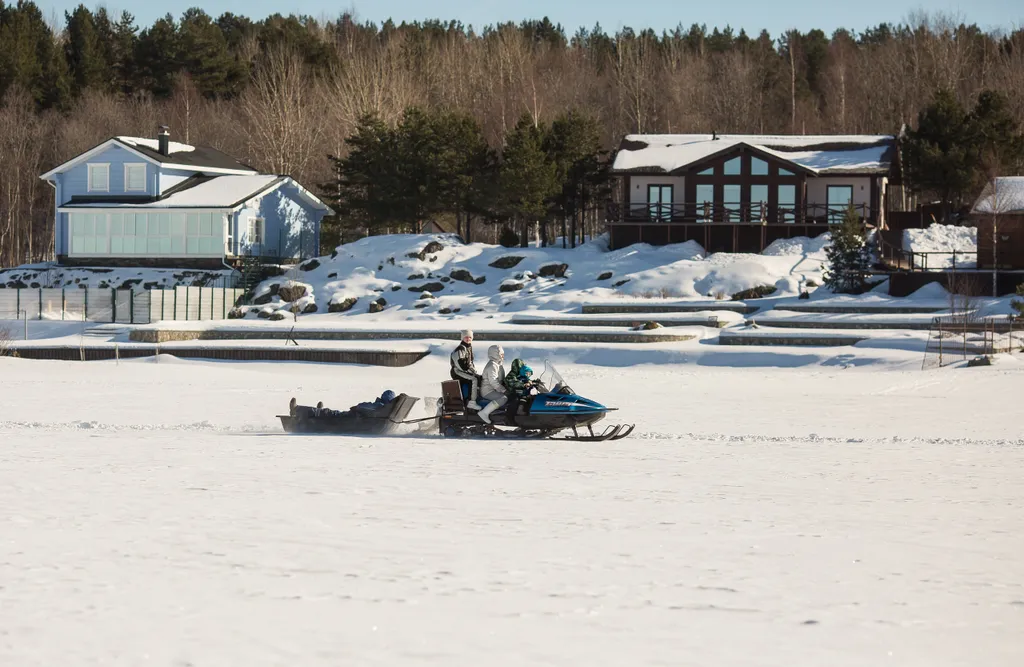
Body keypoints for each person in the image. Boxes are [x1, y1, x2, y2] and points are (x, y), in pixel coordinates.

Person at [450, 329, 482, 410]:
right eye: (466, 337)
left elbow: (470, 362)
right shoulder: (460, 349)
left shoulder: (468, 348)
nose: (468, 339)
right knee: (474, 379)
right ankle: (472, 402)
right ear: (462, 338)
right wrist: (471, 372)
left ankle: (475, 398)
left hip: (463, 371)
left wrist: (474, 371)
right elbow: (460, 364)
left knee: (479, 378)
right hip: (457, 372)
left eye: (470, 337)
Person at [477, 345, 508, 424]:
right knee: (503, 398)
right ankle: (484, 412)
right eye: (501, 354)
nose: (503, 356)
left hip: (494, 389)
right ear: (495, 354)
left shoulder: (498, 364)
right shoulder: (492, 365)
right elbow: (493, 381)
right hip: (488, 391)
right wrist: (503, 390)